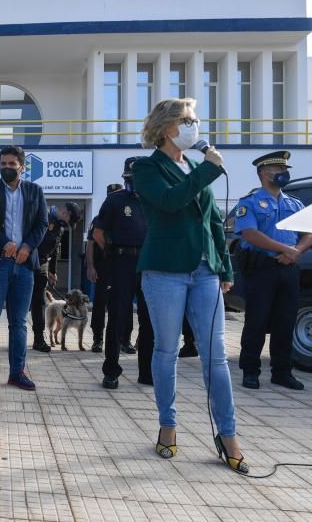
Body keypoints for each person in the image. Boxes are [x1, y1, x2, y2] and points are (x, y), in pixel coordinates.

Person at [134, 97, 248, 474]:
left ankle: (228, 434)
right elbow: (169, 202)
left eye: (195, 120)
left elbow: (213, 222)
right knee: (167, 350)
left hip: (205, 273)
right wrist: (208, 170)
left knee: (215, 355)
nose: (194, 127)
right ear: (167, 128)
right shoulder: (146, 168)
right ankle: (168, 425)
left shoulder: (198, 169)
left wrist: (225, 267)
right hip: (164, 270)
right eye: (187, 120)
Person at [0, 145, 47, 391]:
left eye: (11, 164)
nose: (6, 168)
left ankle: (17, 373)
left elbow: (42, 223)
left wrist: (27, 247)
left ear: (21, 167)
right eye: (3, 164)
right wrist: (3, 243)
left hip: (24, 266)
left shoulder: (35, 191)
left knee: (19, 323)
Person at [234, 151, 312, 390]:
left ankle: (282, 371)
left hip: (289, 269)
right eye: (278, 170)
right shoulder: (249, 203)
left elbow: (308, 232)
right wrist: (284, 248)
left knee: (285, 321)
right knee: (256, 321)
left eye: (284, 169)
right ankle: (250, 371)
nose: (283, 174)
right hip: (261, 269)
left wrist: (296, 251)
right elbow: (250, 234)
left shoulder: (294, 203)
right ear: (263, 174)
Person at [92, 158, 154, 388]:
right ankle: (111, 371)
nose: (134, 183)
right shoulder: (115, 200)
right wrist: (112, 255)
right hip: (121, 262)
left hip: (149, 264)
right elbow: (98, 233)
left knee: (149, 319)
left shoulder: (156, 200)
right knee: (117, 316)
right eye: (130, 179)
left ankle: (146, 372)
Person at [31, 202, 81, 352]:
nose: (67, 224)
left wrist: (52, 271)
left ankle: (39, 338)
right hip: (26, 262)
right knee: (19, 301)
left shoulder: (59, 227)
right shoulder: (42, 214)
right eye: (68, 220)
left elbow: (54, 250)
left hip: (42, 265)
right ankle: (16, 337)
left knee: (39, 302)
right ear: (65, 212)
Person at [88, 183, 123, 353]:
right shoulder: (98, 219)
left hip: (122, 265)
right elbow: (90, 243)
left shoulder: (126, 216)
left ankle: (123, 339)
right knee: (100, 303)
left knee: (122, 305)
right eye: (111, 195)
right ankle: (97, 339)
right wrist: (91, 266)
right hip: (103, 266)